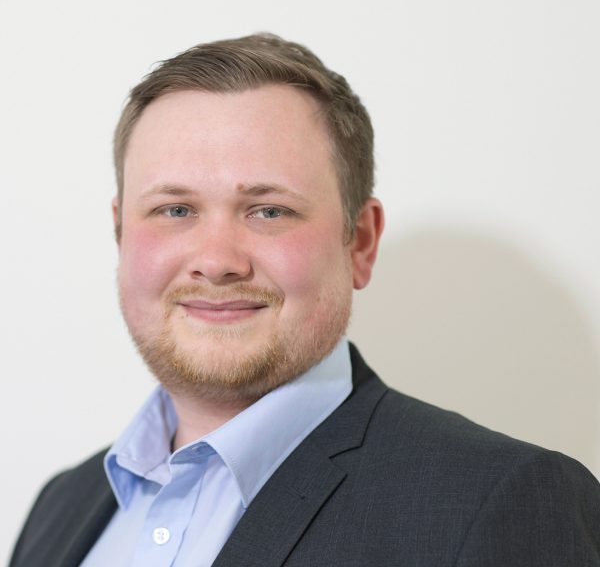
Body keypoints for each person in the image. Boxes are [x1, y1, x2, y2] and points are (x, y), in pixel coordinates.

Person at [10, 33, 600, 567]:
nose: (216, 260)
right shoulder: (61, 507)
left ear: (360, 242)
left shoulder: (500, 499)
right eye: (175, 210)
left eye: (270, 211)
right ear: (120, 233)